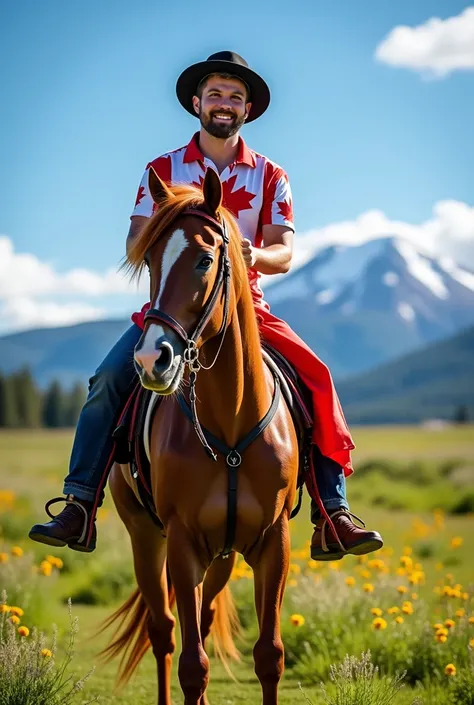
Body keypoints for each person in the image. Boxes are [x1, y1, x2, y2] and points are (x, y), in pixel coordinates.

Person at [29, 51, 383, 560]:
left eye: (235, 97)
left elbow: (284, 252)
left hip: (245, 311)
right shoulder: (162, 170)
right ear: (197, 103)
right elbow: (134, 243)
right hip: (174, 310)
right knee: (107, 382)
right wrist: (170, 232)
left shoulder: (271, 175)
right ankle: (80, 503)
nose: (224, 103)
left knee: (317, 377)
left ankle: (333, 512)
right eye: (215, 94)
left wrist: (250, 253)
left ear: (248, 110)